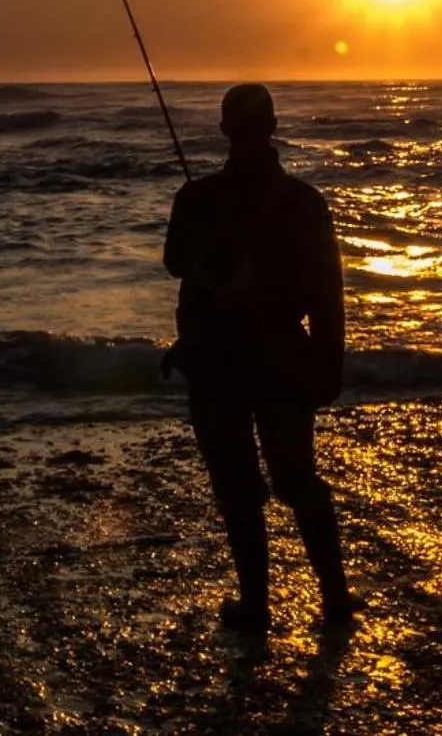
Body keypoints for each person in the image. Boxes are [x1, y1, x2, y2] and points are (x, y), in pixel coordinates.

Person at [162, 83, 362, 632]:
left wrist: (209, 257)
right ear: (272, 127)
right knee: (297, 479)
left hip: (217, 360)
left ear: (224, 128)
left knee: (238, 488)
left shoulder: (197, 198)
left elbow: (174, 261)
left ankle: (256, 607)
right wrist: (328, 363)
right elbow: (327, 291)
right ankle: (335, 601)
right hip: (280, 357)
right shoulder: (304, 201)